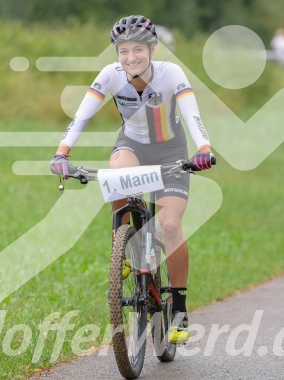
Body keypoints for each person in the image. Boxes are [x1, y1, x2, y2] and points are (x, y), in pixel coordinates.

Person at [50, 15, 215, 345]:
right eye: (123, 51)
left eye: (138, 49)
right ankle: (124, 247)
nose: (130, 58)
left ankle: (179, 308)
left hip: (171, 151)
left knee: (169, 225)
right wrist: (62, 152)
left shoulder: (171, 74)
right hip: (133, 145)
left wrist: (204, 149)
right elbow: (81, 115)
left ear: (152, 48)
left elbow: (192, 114)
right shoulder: (111, 76)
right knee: (117, 172)